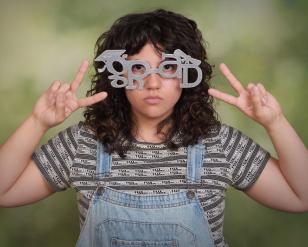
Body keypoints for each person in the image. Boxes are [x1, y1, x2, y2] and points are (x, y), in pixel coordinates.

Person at [0, 9, 307, 247]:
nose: (153, 82)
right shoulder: (83, 144)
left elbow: (301, 197)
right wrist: (37, 122)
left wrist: (274, 122)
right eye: (138, 68)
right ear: (117, 74)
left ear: (189, 76)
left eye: (169, 67)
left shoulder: (219, 145)